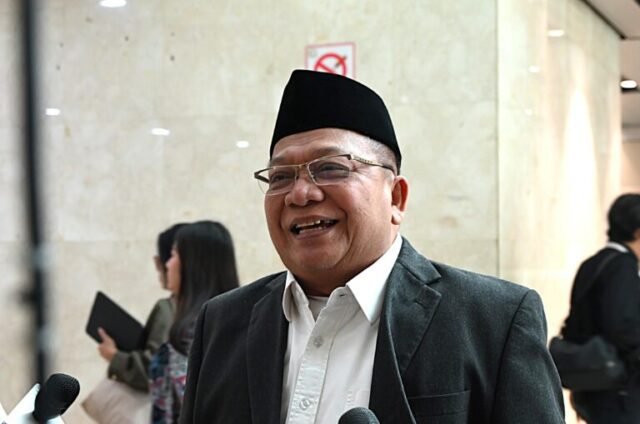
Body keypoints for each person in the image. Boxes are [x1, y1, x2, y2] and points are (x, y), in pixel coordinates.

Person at [180, 70, 565, 423]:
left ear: (396, 198)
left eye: (330, 168)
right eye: (280, 176)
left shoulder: (493, 322)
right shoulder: (222, 323)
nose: (300, 194)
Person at [150, 220, 240, 423]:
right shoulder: (242, 323)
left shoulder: (194, 333)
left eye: (173, 254)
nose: (167, 264)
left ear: (193, 265)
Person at [564, 194, 640, 423]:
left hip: (592, 383)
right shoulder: (623, 267)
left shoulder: (593, 263)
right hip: (618, 390)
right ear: (637, 231)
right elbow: (622, 326)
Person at [96, 222, 186, 392]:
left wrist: (115, 356)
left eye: (172, 256)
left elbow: (155, 371)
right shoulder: (218, 309)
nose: (162, 265)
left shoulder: (169, 310)